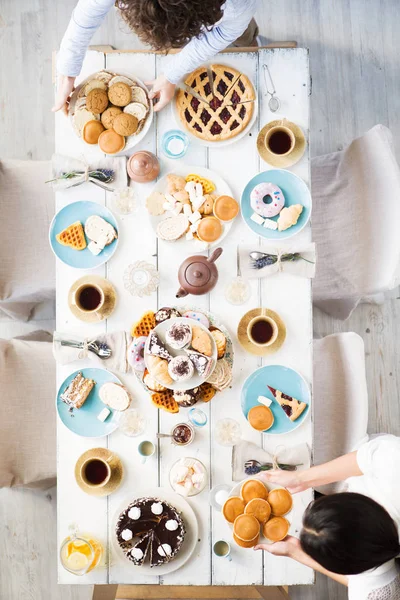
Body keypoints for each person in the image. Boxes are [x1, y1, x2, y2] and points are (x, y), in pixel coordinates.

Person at [255, 434, 400, 599]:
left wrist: (295, 552)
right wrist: (300, 479)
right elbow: (363, 459)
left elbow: (357, 584)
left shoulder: (375, 594)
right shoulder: (392, 460)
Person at [53, 0, 259, 114]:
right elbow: (87, 15)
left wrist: (172, 73)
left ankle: (250, 42)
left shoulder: (238, 4)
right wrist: (68, 70)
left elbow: (224, 33)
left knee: (244, 34)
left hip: (230, 17)